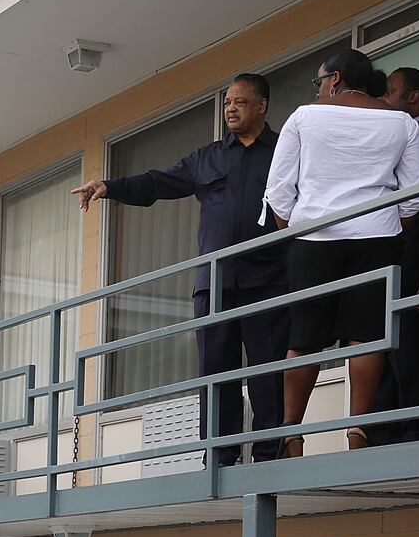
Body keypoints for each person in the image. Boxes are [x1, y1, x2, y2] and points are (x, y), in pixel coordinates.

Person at [72, 74, 288, 466]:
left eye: (240, 102)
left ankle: (269, 453)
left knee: (267, 371)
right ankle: (219, 456)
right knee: (215, 374)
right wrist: (110, 186)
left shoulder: (284, 152)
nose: (231, 109)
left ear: (262, 105)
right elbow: (159, 183)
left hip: (267, 279)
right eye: (227, 104)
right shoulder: (207, 157)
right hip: (214, 283)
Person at [261, 48, 419, 454]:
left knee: (303, 339)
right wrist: (388, 226)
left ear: (335, 79)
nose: (317, 90)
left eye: (319, 81)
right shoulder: (402, 123)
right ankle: (357, 430)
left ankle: (292, 433)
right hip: (376, 237)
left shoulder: (304, 117)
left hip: (314, 237)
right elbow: (415, 195)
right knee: (366, 336)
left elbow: (279, 191)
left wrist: (296, 227)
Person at [372, 66, 419, 442]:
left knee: (412, 340)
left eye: (390, 92)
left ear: (414, 96)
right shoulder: (387, 136)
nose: (384, 100)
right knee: (384, 340)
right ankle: (381, 428)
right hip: (385, 252)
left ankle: (416, 427)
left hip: (417, 253)